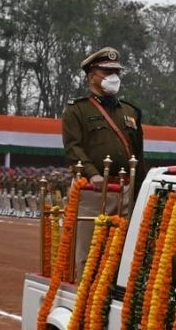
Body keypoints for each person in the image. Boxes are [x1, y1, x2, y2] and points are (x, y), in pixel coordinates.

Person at [62, 46, 145, 273]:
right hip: (93, 190)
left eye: (116, 72)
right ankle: (86, 299)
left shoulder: (130, 111)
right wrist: (92, 173)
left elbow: (138, 154)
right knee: (88, 256)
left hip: (125, 190)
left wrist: (140, 190)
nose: (113, 77)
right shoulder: (77, 110)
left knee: (123, 253)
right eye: (106, 72)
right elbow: (73, 147)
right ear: (91, 76)